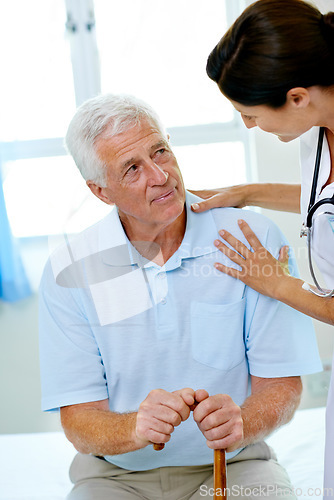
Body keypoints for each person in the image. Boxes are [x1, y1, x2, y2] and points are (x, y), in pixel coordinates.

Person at [39, 93, 322, 500]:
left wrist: (242, 419)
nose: (160, 176)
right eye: (132, 169)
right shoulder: (70, 270)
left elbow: (282, 385)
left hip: (235, 465)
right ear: (101, 191)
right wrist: (134, 425)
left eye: (161, 152)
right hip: (113, 478)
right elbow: (79, 421)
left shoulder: (250, 239)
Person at [188, 0, 334, 496]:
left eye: (250, 115)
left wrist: (276, 283)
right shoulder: (318, 132)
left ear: (296, 97)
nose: (250, 126)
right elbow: (322, 201)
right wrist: (247, 192)